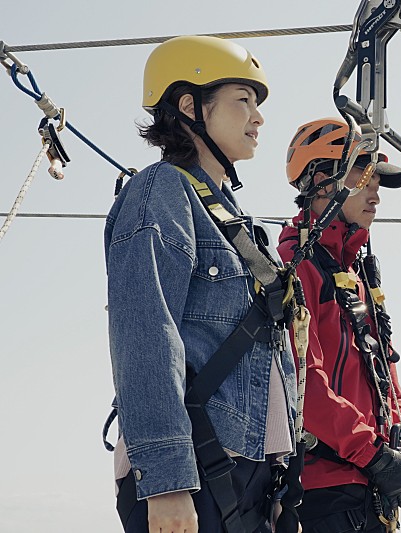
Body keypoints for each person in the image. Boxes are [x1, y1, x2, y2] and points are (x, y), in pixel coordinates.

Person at [103, 35, 296, 533]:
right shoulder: (161, 190)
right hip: (190, 471)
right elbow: (145, 334)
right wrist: (166, 483)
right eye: (242, 100)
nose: (258, 117)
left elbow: (271, 363)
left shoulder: (239, 223)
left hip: (248, 474)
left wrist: (281, 480)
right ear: (190, 106)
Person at [277, 118, 401, 533]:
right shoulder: (293, 268)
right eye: (363, 175)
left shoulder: (356, 274)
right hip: (322, 495)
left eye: (377, 181)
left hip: (370, 488)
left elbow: (384, 373)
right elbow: (302, 384)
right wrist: (376, 455)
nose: (375, 193)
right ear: (322, 180)